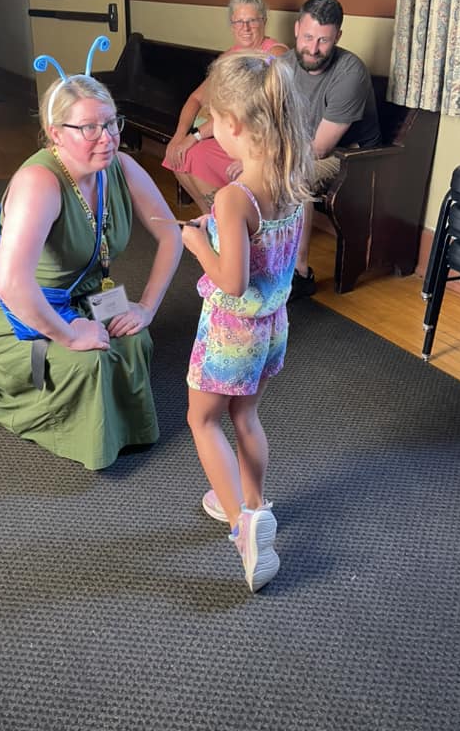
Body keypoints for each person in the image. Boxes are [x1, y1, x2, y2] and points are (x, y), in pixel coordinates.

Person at [0, 63, 182, 470]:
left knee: (134, 338)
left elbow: (171, 234)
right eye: (89, 128)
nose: (107, 137)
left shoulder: (121, 166)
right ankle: (28, 400)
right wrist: (69, 334)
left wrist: (146, 307)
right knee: (87, 360)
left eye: (111, 123)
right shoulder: (39, 183)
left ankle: (119, 423)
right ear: (56, 133)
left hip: (80, 293)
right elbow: (11, 284)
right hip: (7, 305)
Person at [182, 51, 313, 592]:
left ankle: (243, 528)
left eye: (212, 118)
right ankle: (255, 504)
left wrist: (198, 243)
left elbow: (232, 281)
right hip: (272, 326)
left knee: (203, 420)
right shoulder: (290, 177)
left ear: (234, 125)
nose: (210, 126)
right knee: (247, 417)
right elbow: (273, 252)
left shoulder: (235, 198)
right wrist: (221, 222)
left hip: (231, 332)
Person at [286, 0, 382, 300]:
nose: (313, 48)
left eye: (323, 40)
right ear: (297, 29)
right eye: (308, 37)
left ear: (338, 36)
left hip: (351, 155)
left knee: (293, 178)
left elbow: (320, 148)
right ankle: (261, 258)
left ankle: (300, 273)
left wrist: (272, 160)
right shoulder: (284, 64)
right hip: (301, 146)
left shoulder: (350, 72)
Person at [162, 0, 288, 212]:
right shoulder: (229, 57)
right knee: (177, 156)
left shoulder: (275, 54)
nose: (245, 27)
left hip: (263, 143)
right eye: (239, 21)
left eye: (252, 20)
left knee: (195, 155)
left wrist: (194, 136)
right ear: (232, 25)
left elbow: (246, 111)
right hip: (231, 134)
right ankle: (211, 217)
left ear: (264, 21)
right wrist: (179, 135)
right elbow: (196, 98)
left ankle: (228, 216)